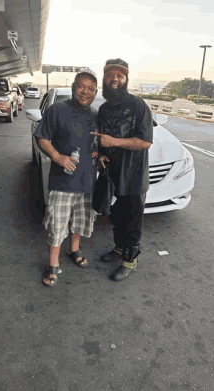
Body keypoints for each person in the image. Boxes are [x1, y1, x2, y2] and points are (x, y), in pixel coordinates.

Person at [33, 68, 99, 287]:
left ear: (95, 92)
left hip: (87, 181)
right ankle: (53, 263)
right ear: (73, 87)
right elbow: (42, 137)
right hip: (62, 181)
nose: (85, 91)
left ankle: (73, 250)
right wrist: (58, 157)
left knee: (80, 222)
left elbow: (96, 144)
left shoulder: (95, 116)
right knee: (57, 224)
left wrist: (99, 154)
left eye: (90, 88)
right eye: (81, 86)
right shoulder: (57, 110)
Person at [92, 58, 153, 282]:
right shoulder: (104, 109)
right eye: (110, 75)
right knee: (117, 217)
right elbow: (101, 141)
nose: (114, 79)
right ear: (105, 78)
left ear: (126, 79)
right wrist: (100, 155)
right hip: (112, 175)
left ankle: (130, 260)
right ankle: (119, 249)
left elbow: (145, 142)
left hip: (134, 176)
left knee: (132, 220)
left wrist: (114, 142)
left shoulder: (138, 105)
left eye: (119, 75)